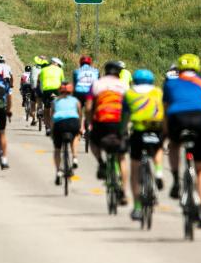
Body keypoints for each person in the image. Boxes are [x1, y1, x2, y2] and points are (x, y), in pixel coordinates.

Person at [163, 53, 201, 228]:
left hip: (178, 119)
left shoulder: (171, 84)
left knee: (174, 144)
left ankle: (176, 179)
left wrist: (166, 132)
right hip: (200, 120)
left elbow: (166, 111)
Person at [86, 61, 130, 204]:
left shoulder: (97, 84)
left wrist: (90, 123)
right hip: (118, 122)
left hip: (102, 121)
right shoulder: (124, 85)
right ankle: (123, 191)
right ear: (118, 73)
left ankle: (101, 162)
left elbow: (88, 107)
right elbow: (129, 108)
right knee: (121, 157)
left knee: (92, 140)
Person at [126, 68, 165, 221]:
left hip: (139, 132)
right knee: (158, 148)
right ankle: (159, 172)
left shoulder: (130, 93)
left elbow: (125, 115)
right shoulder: (158, 92)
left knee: (135, 170)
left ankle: (136, 207)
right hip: (156, 128)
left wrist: (122, 131)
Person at [52, 81, 83, 184]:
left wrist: (53, 130)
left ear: (60, 91)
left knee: (57, 149)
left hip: (59, 124)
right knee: (75, 136)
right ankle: (74, 158)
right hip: (73, 122)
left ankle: (58, 172)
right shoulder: (75, 100)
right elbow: (79, 114)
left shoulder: (55, 101)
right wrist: (80, 128)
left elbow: (52, 116)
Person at [38, 57, 65, 133]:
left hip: (46, 91)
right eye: (59, 64)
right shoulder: (60, 70)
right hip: (57, 90)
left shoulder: (43, 70)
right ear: (56, 63)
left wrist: (42, 91)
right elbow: (63, 82)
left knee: (46, 110)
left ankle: (48, 127)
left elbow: (40, 82)